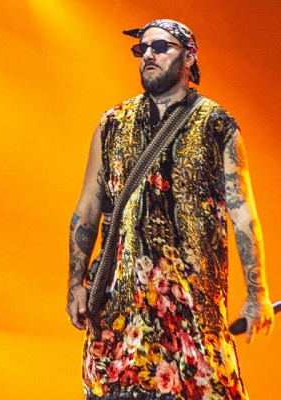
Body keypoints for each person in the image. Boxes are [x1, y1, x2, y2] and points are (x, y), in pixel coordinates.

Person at [65, 19, 274, 399]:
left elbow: (243, 213)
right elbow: (88, 207)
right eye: (141, 48)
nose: (148, 54)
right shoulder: (112, 123)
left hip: (192, 308)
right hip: (120, 307)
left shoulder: (216, 125)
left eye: (161, 46)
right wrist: (75, 284)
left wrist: (257, 292)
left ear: (189, 56)